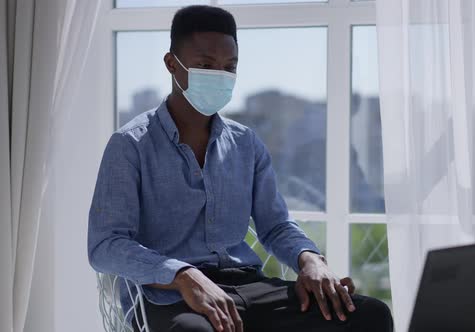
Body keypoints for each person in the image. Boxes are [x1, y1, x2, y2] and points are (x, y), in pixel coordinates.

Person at [87, 5, 393, 332]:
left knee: (368, 315)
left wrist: (311, 260)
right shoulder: (130, 145)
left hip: (250, 288)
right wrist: (182, 275)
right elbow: (105, 246)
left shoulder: (246, 143)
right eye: (206, 65)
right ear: (171, 64)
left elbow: (275, 226)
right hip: (171, 296)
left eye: (229, 66)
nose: (220, 75)